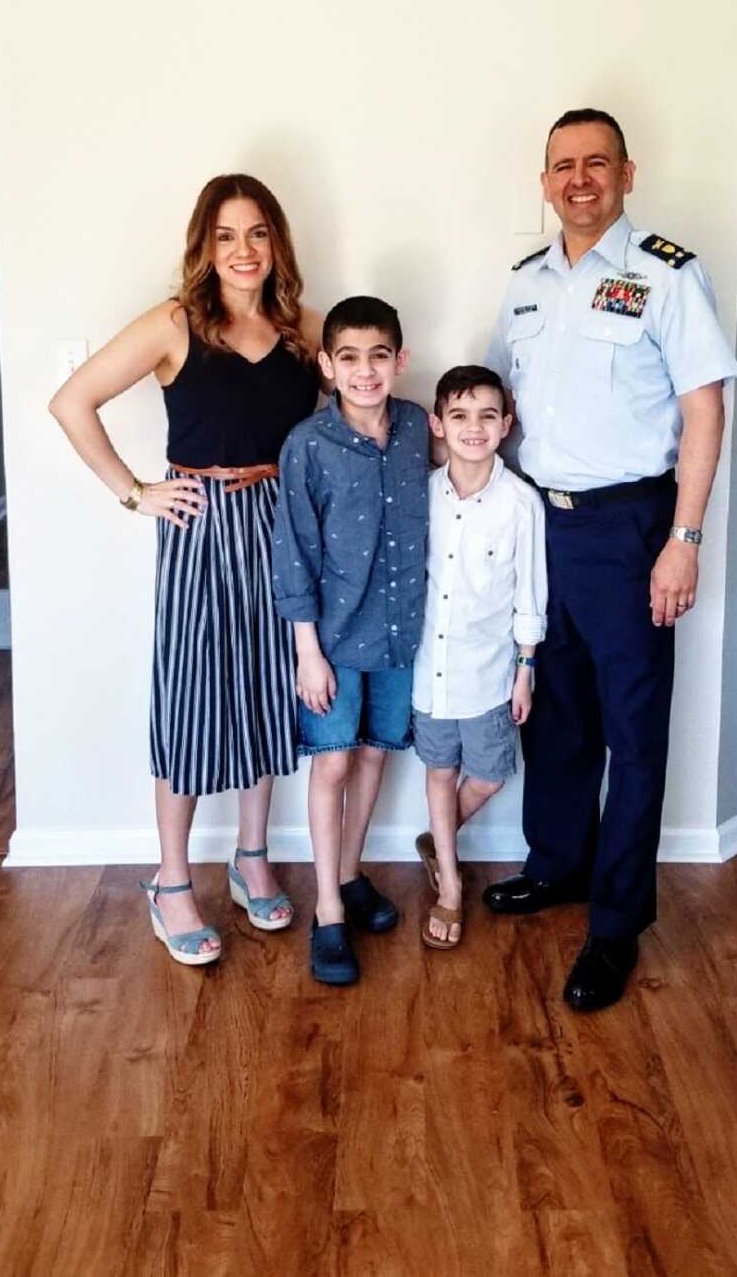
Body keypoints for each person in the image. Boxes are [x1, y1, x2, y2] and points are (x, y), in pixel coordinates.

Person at [484, 109, 737, 1010]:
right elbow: (492, 411)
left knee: (632, 734)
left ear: (627, 174)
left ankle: (617, 922)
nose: (580, 178)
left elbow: (704, 409)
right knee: (552, 717)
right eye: (563, 165)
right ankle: (557, 865)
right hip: (538, 530)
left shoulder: (665, 275)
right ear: (544, 180)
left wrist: (685, 536)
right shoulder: (523, 286)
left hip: (631, 530)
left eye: (597, 163)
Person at [49, 174, 322, 966]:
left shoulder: (303, 328)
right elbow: (73, 400)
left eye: (259, 233)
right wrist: (134, 492)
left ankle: (251, 857)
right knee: (192, 697)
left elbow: (361, 399)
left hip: (278, 521)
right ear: (205, 246)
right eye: (227, 235)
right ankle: (171, 881)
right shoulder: (177, 323)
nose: (244, 251)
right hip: (199, 524)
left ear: (278, 243)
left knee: (270, 688)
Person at [272, 295, 429, 985]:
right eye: (350, 358)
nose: (366, 371)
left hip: (402, 630)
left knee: (374, 757)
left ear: (400, 360)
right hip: (332, 639)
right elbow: (293, 553)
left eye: (379, 356)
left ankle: (352, 872)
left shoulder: (422, 428)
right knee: (332, 764)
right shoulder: (308, 444)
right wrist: (307, 649)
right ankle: (329, 910)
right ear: (327, 365)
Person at [411, 366, 547, 950]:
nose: (474, 428)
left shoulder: (521, 503)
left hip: (490, 674)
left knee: (489, 775)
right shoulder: (420, 494)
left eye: (488, 416)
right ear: (439, 425)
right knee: (438, 772)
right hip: (427, 673)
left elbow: (529, 594)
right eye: (460, 416)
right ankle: (449, 887)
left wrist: (525, 669)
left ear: (506, 425)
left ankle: (437, 841)